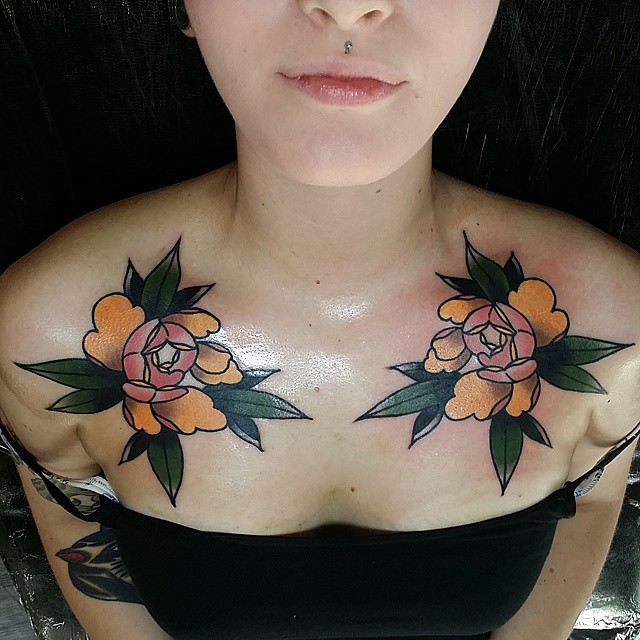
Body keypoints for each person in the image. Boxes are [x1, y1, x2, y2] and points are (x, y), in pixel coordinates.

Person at [0, 1, 639, 639]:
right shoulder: (48, 330)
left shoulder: (616, 323)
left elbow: (593, 499)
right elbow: (75, 516)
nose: (347, 5)